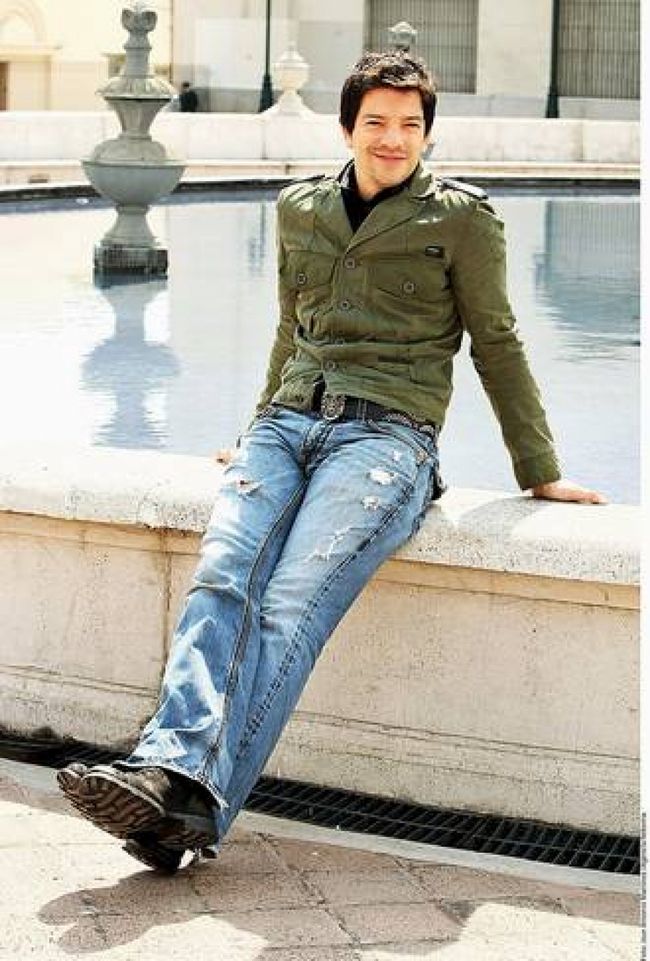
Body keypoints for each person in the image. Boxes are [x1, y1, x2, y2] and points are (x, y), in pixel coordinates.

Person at [58, 51, 605, 874]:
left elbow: (497, 342)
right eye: (377, 122)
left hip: (388, 441)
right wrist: (256, 426)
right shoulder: (301, 207)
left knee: (289, 604)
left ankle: (173, 784)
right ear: (348, 128)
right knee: (222, 581)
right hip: (285, 426)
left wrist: (539, 469)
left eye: (411, 125)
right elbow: (292, 328)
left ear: (427, 134)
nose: (394, 139)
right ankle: (175, 801)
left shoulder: (462, 218)